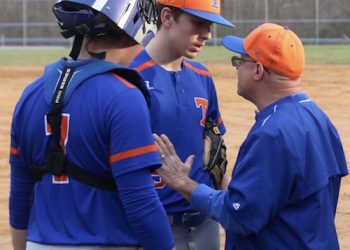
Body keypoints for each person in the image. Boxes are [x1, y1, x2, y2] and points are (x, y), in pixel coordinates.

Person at [153, 23, 349, 250]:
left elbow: (238, 215)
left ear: (258, 70)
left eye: (240, 61)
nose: (236, 68)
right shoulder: (318, 117)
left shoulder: (272, 134)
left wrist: (184, 184)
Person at [9, 0, 175, 250]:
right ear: (127, 21)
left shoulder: (30, 94)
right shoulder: (124, 96)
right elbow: (140, 202)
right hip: (107, 243)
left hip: (38, 243)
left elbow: (20, 198)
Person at [128, 0, 235, 249]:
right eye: (197, 23)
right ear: (167, 17)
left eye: (209, 25)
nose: (207, 34)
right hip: (155, 225)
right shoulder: (132, 76)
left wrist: (233, 209)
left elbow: (216, 154)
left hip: (206, 223)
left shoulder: (203, 76)